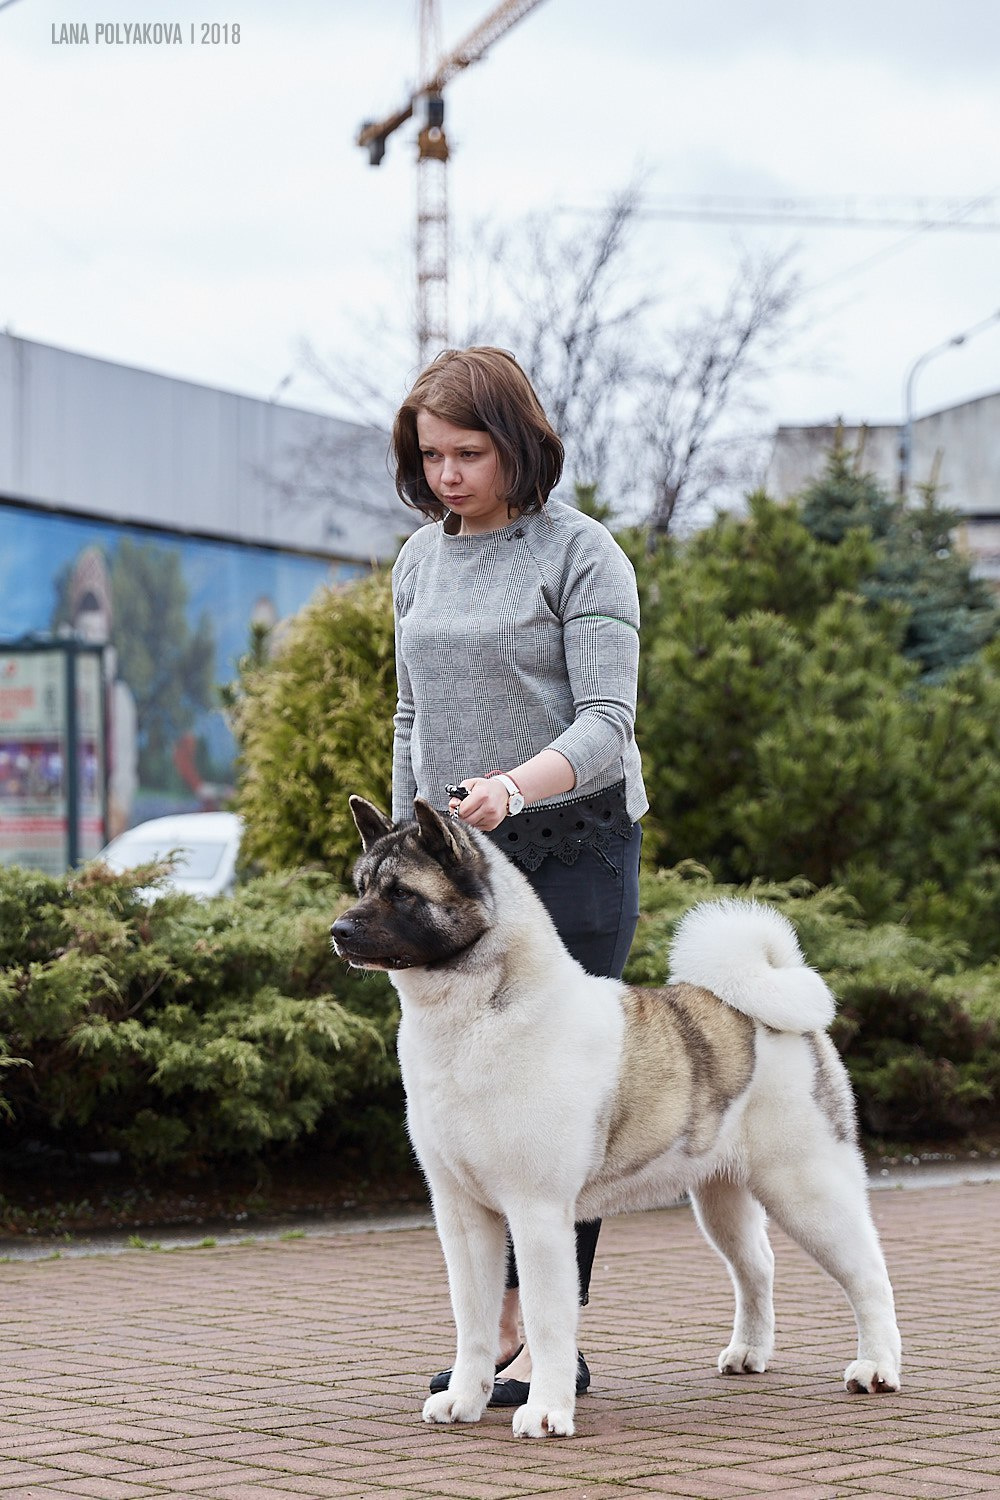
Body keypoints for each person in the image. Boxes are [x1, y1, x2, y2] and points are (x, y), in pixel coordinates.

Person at [389, 345, 647, 1406]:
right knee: (462, 1096)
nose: (448, 475)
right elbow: (411, 714)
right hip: (458, 872)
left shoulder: (584, 555)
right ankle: (497, 1332)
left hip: (570, 854)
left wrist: (511, 787)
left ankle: (547, 1343)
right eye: (430, 456)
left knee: (550, 1103)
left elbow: (608, 725)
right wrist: (408, 840)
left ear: (517, 441)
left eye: (468, 451)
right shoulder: (417, 561)